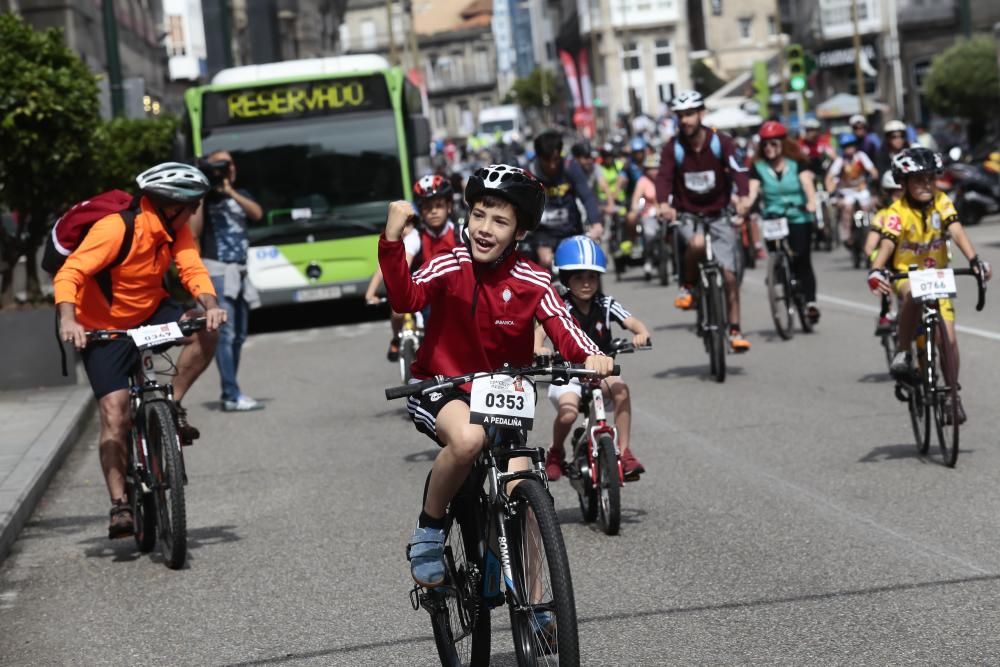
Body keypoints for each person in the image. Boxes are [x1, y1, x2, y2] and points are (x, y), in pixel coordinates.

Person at [378, 163, 613, 589]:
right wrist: (392, 239)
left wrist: (594, 354)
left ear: (519, 232)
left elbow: (564, 326)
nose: (485, 229)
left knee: (523, 493)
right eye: (479, 215)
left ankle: (538, 607)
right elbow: (405, 296)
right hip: (440, 387)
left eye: (500, 221)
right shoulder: (449, 263)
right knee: (468, 440)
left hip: (502, 394)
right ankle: (429, 531)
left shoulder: (534, 280)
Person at [55, 162, 226, 538]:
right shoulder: (116, 227)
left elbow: (191, 269)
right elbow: (70, 272)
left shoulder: (173, 229)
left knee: (205, 331)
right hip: (103, 327)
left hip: (149, 314)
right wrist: (69, 320)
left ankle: (173, 403)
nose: (196, 211)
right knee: (114, 414)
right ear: (170, 204)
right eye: (193, 204)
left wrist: (211, 306)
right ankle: (119, 505)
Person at [867, 147, 992, 422]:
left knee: (949, 338)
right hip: (907, 274)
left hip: (937, 275)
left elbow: (956, 230)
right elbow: (887, 243)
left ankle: (951, 396)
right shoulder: (897, 211)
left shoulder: (942, 200)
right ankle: (902, 352)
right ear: (904, 183)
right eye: (917, 180)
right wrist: (876, 270)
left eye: (930, 179)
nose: (925, 185)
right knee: (912, 294)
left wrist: (975, 260)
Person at [536, 236, 650, 480]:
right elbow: (540, 333)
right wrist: (539, 349)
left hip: (601, 372)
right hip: (568, 375)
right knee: (567, 413)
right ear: (566, 279)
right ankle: (555, 452)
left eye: (592, 277)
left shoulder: (606, 303)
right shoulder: (560, 307)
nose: (586, 283)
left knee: (621, 390)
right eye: (578, 277)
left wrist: (641, 333)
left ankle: (624, 452)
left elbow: (630, 321)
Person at [655, 89, 753, 352]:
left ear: (701, 114)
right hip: (687, 214)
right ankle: (688, 286)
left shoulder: (721, 142)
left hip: (719, 214)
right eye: (680, 116)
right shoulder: (672, 148)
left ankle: (735, 330)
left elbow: (738, 170)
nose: (685, 120)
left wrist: (743, 196)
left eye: (689, 114)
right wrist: (664, 204)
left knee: (730, 276)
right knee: (696, 244)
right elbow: (663, 177)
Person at [189, 150, 264, 412]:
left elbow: (257, 214)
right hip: (218, 272)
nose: (226, 167)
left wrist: (230, 191)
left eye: (229, 163)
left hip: (240, 272)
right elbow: (193, 232)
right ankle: (232, 394)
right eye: (220, 164)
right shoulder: (205, 198)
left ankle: (230, 391)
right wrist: (201, 191)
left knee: (240, 335)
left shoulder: (239, 193)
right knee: (226, 333)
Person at [365, 174, 460, 359]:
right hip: (428, 294)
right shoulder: (416, 237)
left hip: (457, 294)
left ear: (449, 206)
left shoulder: (460, 234)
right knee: (401, 311)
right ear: (420, 211)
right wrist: (373, 291)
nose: (433, 211)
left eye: (439, 205)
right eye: (427, 207)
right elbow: (400, 265)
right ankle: (397, 338)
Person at [747, 121, 820, 323]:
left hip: (798, 214)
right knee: (776, 253)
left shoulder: (797, 162)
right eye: (765, 144)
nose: (769, 148)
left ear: (783, 143)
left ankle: (810, 302)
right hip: (773, 216)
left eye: (774, 143)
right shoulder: (758, 167)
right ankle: (777, 272)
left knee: (802, 258)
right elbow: (752, 191)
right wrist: (745, 205)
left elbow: (807, 183)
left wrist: (812, 202)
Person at [532, 130, 602, 268]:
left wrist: (596, 223)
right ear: (539, 157)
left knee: (583, 264)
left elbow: (587, 196)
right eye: (547, 160)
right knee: (545, 261)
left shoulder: (571, 167)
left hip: (571, 229)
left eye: (556, 159)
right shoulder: (529, 172)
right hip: (544, 233)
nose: (552, 165)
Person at [864, 170, 905, 333]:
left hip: (912, 260)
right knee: (884, 277)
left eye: (903, 192)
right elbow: (869, 246)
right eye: (895, 194)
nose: (899, 197)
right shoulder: (883, 215)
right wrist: (878, 263)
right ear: (887, 195)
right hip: (889, 262)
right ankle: (885, 313)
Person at [825, 133, 879, 247]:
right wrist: (831, 191)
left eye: (851, 145)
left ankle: (870, 233)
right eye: (846, 146)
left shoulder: (861, 156)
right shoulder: (840, 160)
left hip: (862, 189)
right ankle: (847, 235)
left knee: (868, 207)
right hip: (847, 191)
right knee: (847, 208)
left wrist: (872, 179)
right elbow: (830, 177)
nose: (849, 148)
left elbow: (873, 171)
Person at [628, 152, 662, 278]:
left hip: (664, 214)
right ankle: (648, 259)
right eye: (650, 169)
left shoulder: (664, 179)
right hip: (648, 214)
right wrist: (635, 208)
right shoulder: (642, 181)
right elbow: (635, 199)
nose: (653, 171)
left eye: (656, 168)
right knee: (649, 235)